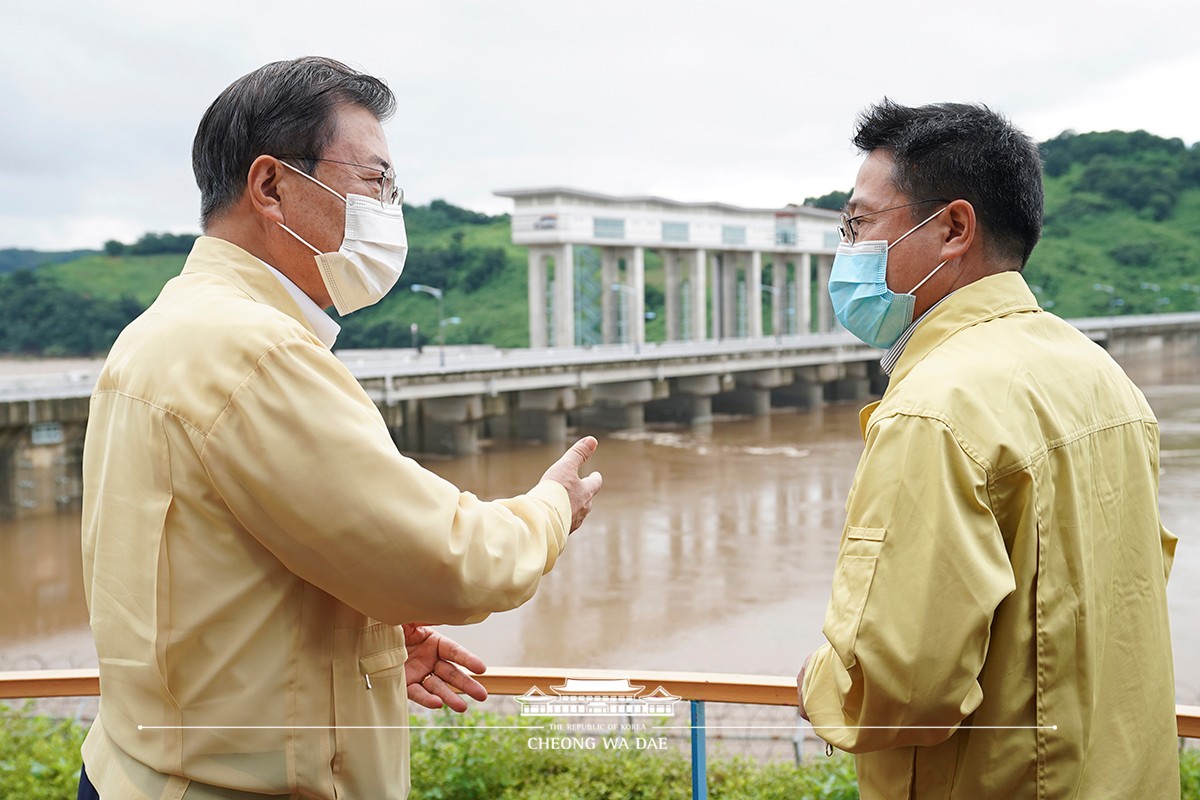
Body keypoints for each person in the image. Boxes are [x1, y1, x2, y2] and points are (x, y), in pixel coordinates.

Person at [78, 57, 602, 800]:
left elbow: (205, 576)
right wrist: (552, 509)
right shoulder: (254, 351)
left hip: (135, 769)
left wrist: (371, 641)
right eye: (375, 182)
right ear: (271, 187)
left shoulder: (158, 331)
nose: (390, 209)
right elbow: (453, 561)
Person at [796, 100, 1178, 798]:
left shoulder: (936, 411)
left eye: (858, 225)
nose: (846, 250)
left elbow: (900, 686)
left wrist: (820, 681)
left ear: (952, 228)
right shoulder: (1105, 381)